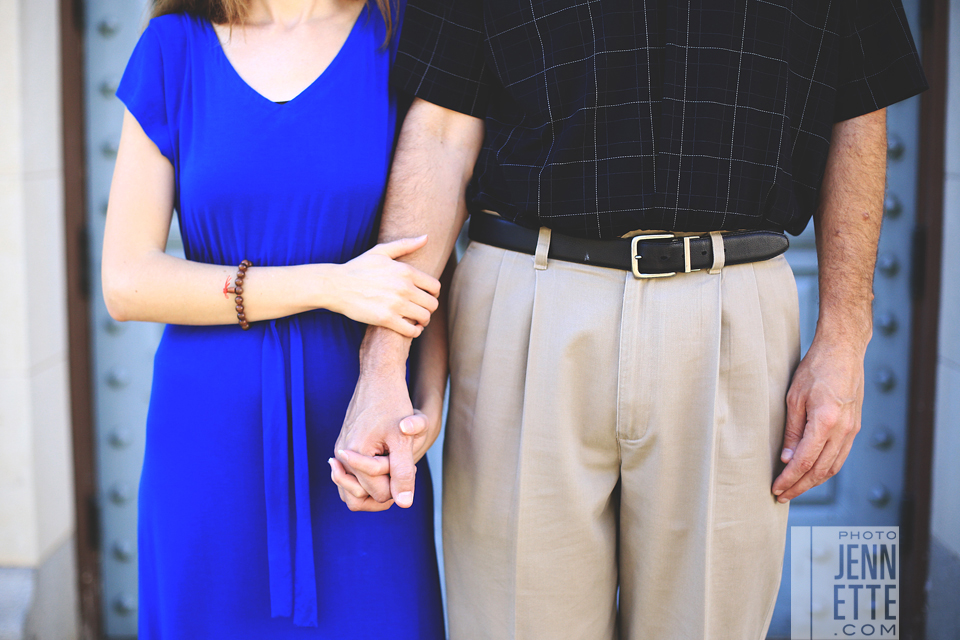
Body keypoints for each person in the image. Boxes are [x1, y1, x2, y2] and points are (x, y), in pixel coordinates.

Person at [330, 0, 929, 638]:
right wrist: (385, 358)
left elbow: (858, 101)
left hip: (732, 308)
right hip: (529, 307)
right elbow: (444, 130)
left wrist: (844, 337)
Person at [100, 0, 448, 637]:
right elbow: (126, 281)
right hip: (206, 443)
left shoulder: (403, 33)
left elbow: (427, 259)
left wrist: (422, 413)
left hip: (360, 435)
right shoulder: (172, 48)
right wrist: (327, 285)